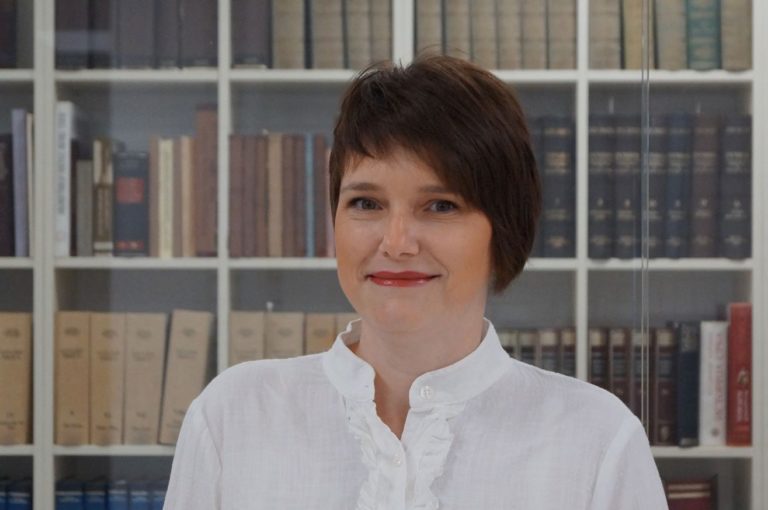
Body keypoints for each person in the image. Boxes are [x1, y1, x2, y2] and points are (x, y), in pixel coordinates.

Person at [163, 54, 668, 509]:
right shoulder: (233, 415)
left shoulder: (598, 438)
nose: (397, 242)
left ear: (504, 228)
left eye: (440, 206)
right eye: (366, 203)